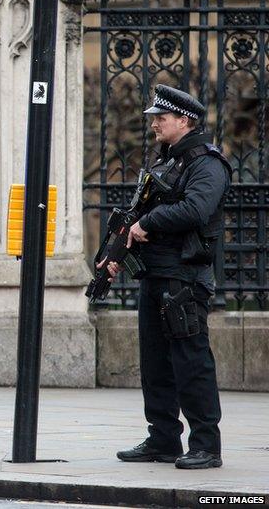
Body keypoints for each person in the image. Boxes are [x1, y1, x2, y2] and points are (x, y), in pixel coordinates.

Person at [102, 84, 231, 470]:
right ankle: (163, 439)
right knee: (156, 363)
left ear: (184, 120)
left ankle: (206, 445)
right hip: (156, 276)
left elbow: (195, 209)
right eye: (154, 118)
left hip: (184, 279)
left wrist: (147, 222)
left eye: (161, 118)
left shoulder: (206, 163)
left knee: (191, 361)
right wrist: (115, 255)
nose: (154, 124)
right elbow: (136, 217)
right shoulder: (165, 162)